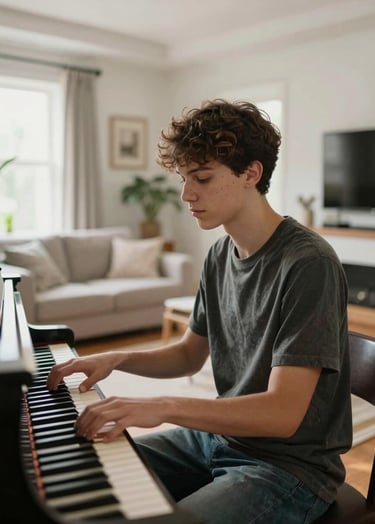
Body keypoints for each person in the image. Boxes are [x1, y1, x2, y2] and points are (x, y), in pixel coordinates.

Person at [47, 99, 352, 524]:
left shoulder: (307, 263)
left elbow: (283, 415)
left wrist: (164, 406)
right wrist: (117, 359)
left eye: (202, 178)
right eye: (185, 178)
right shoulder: (219, 254)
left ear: (251, 173)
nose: (186, 195)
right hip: (219, 439)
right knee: (85, 470)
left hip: (288, 468)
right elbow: (190, 354)